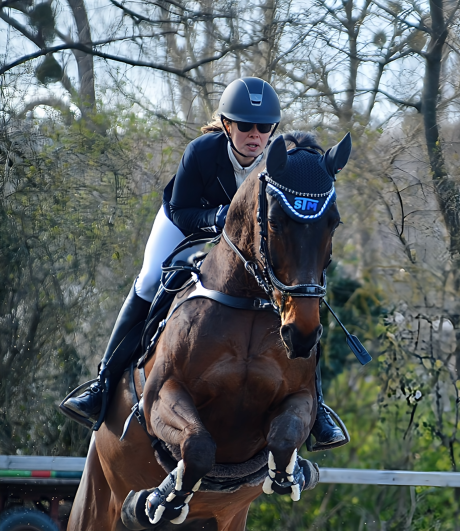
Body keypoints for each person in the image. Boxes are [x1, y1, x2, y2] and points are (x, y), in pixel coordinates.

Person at [60, 77, 346, 450]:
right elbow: (180, 210)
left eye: (264, 127)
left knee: (296, 296)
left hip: (246, 245)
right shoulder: (202, 152)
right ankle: (102, 383)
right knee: (149, 281)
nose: (254, 135)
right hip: (189, 225)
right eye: (245, 126)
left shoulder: (279, 162)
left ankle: (317, 408)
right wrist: (217, 219)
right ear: (228, 125)